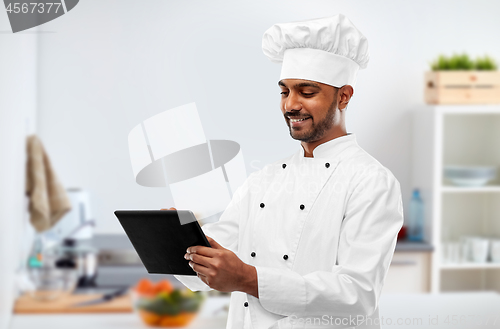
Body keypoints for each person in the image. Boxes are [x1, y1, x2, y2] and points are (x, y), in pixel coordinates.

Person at [170, 14, 404, 329]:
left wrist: (248, 278)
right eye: (284, 92)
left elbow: (358, 295)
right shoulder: (263, 180)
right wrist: (184, 243)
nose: (290, 105)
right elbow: (217, 260)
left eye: (306, 92)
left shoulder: (371, 181)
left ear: (344, 96)